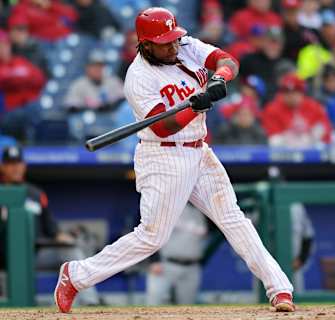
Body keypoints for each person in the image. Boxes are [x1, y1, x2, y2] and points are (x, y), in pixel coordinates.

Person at [54, 7, 295, 314]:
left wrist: (219, 79)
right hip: (163, 155)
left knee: (233, 218)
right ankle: (75, 275)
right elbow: (161, 125)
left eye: (173, 39)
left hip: (199, 150)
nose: (172, 46)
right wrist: (193, 108)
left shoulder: (186, 46)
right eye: (164, 42)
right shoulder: (138, 77)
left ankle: (279, 289)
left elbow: (227, 60)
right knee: (152, 236)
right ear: (145, 44)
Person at [0, 145, 100, 305]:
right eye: (11, 163)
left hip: (36, 254)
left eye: (18, 163)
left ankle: (89, 302)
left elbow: (52, 229)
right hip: (6, 257)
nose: (15, 168)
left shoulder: (35, 193)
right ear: (3, 167)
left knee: (72, 251)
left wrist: (67, 239)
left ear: (24, 165)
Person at [146, 203, 207, 305]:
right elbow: (152, 234)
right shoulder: (168, 207)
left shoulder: (201, 211)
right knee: (154, 305)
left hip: (192, 267)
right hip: (166, 265)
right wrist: (154, 260)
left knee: (188, 308)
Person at [63, 49, 124, 140]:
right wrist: (92, 108)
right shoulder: (78, 84)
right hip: (86, 121)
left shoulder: (113, 81)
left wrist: (109, 106)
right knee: (76, 120)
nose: (97, 69)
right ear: (87, 68)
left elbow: (123, 100)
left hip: (110, 118)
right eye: (94, 66)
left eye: (100, 66)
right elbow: (71, 107)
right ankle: (79, 144)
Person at [262, 72, 331, 147]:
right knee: (275, 141)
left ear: (302, 92)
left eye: (295, 91)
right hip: (285, 150)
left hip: (311, 146)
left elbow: (325, 129)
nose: (291, 95)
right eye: (287, 92)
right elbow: (272, 136)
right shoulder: (272, 109)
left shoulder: (314, 106)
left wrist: (310, 136)